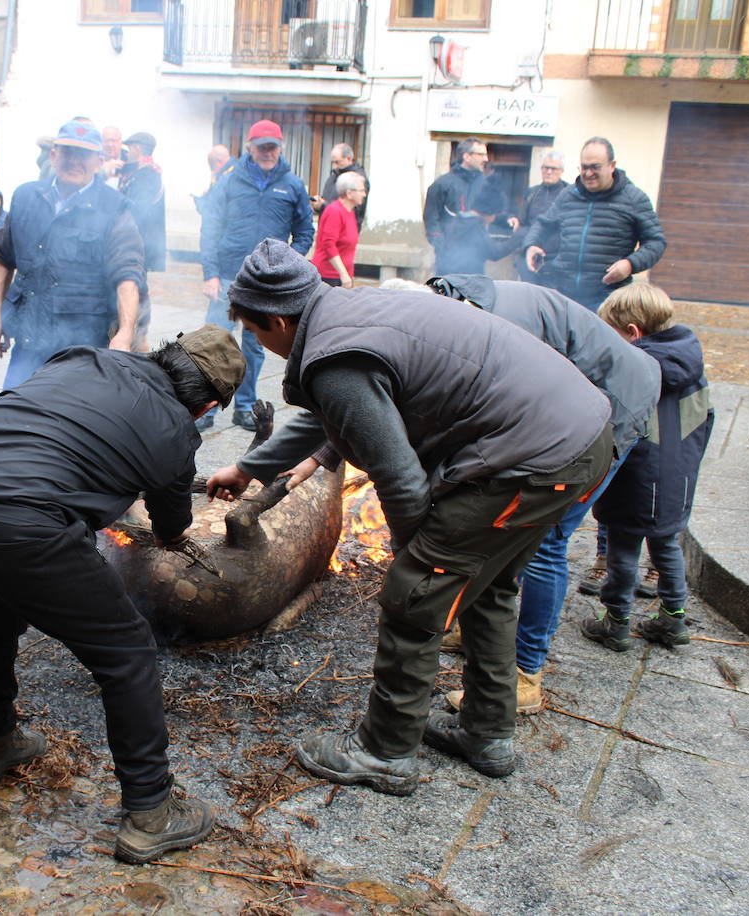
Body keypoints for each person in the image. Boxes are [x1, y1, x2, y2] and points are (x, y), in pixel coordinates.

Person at [205, 240, 613, 795]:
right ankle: (486, 732)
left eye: (257, 335)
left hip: (531, 459)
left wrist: (414, 562)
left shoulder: (334, 358)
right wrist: (248, 467)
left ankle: (384, 750)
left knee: (415, 593)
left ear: (278, 320)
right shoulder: (350, 314)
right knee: (487, 585)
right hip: (578, 436)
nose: (261, 346)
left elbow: (399, 478)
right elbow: (334, 415)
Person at [0, 325, 245, 864]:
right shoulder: (177, 432)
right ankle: (151, 812)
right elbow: (170, 523)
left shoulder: (86, 356)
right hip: (19, 522)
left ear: (163, 353)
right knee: (127, 652)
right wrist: (171, 522)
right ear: (206, 405)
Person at [417, 275, 659, 715]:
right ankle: (476, 631)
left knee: (544, 539)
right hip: (578, 403)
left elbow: (505, 416)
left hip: (612, 410)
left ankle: (525, 674)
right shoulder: (464, 305)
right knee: (501, 525)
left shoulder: (499, 326)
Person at [581, 284, 713, 650]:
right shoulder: (693, 367)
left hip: (635, 480)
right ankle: (673, 618)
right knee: (668, 546)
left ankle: (616, 621)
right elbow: (705, 422)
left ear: (633, 332)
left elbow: (615, 426)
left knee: (622, 552)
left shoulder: (636, 369)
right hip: (678, 478)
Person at [0, 118, 145, 390]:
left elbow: (127, 275)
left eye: (83, 154)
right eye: (68, 152)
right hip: (29, 338)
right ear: (53, 155)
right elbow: (2, 256)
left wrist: (125, 333)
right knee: (15, 415)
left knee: (70, 424)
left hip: (83, 348)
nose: (75, 161)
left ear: (98, 160)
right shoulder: (25, 197)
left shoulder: (115, 207)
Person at [198, 119, 313, 431]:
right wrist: (210, 272)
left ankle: (245, 408)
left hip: (266, 284)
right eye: (261, 146)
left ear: (280, 148)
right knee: (213, 343)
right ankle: (207, 407)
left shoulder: (292, 184)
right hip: (227, 276)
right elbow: (210, 226)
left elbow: (304, 233)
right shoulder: (230, 181)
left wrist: (286, 265)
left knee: (255, 345)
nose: (267, 152)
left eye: (272, 146)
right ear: (249, 148)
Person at [524, 137, 667, 309]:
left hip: (608, 300)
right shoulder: (568, 194)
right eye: (584, 167)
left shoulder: (634, 199)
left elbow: (656, 242)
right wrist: (531, 245)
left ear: (611, 165)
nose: (588, 173)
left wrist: (630, 264)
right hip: (564, 294)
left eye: (595, 167)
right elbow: (543, 223)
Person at [423, 138, 517, 276]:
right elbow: (431, 219)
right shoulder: (442, 184)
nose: (485, 159)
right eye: (481, 154)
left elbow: (491, 213)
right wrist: (441, 244)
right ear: (466, 156)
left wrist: (508, 218)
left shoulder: (486, 184)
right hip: (447, 259)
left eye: (486, 155)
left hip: (476, 259)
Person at [514, 151, 568, 284]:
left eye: (553, 168)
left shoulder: (568, 194)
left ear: (561, 171)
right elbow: (522, 221)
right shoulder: (532, 193)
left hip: (555, 264)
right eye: (545, 167)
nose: (548, 172)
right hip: (530, 262)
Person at [311, 172, 367, 288]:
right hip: (328, 277)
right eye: (361, 190)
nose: (364, 194)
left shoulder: (350, 211)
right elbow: (328, 245)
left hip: (342, 276)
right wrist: (343, 274)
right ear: (349, 193)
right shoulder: (335, 211)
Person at [119, 132, 166, 274]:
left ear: (137, 149)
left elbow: (138, 211)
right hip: (136, 244)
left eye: (130, 148)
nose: (127, 152)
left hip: (138, 245)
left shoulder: (147, 175)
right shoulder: (142, 172)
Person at [312, 142, 368, 230]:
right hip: (327, 227)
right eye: (333, 162)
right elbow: (328, 199)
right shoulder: (334, 176)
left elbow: (355, 210)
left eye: (337, 162)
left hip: (344, 231)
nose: (334, 166)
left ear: (349, 158)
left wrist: (324, 205)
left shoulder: (358, 179)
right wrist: (318, 204)